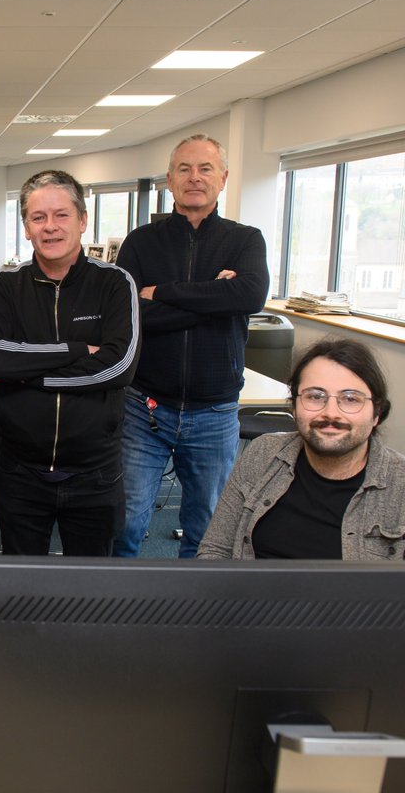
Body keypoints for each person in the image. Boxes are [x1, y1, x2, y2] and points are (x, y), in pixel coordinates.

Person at [114, 134, 268, 558]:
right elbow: (127, 319)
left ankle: (196, 616)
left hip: (214, 412)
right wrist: (214, 299)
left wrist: (161, 291)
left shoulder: (245, 240)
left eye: (205, 169)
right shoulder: (141, 242)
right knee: (126, 521)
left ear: (223, 179)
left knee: (209, 530)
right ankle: (112, 612)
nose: (194, 178)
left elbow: (250, 297)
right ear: (169, 180)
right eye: (184, 169)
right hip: (145, 406)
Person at [0, 170, 139, 556]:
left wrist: (29, 378)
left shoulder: (115, 284)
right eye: (38, 217)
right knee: (22, 594)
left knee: (90, 597)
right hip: (21, 473)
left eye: (62, 215)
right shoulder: (2, 287)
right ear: (27, 227)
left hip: (94, 474)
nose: (50, 227)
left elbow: (120, 367)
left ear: (83, 220)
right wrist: (79, 350)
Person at [198, 338, 405, 560]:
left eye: (351, 399)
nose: (331, 413)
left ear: (377, 414)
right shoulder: (262, 455)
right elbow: (216, 551)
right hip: (252, 619)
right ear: (294, 406)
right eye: (315, 396)